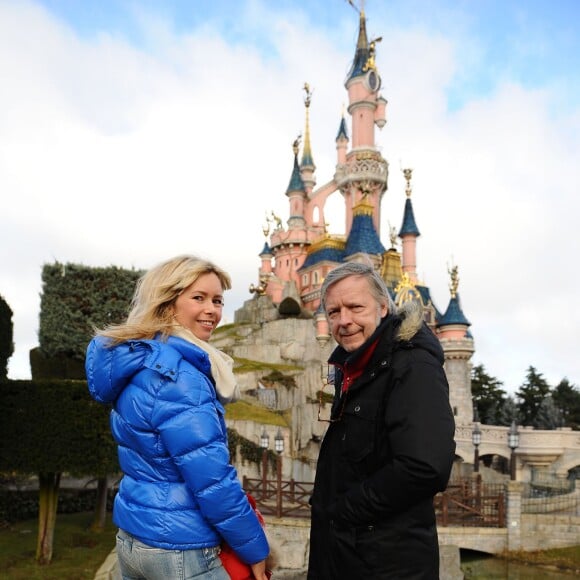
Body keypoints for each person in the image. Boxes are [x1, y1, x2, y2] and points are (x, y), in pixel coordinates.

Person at [85, 255, 270, 580]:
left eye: (217, 300)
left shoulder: (140, 362)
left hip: (133, 540)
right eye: (198, 298)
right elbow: (212, 482)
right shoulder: (180, 377)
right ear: (167, 304)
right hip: (180, 550)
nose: (212, 310)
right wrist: (255, 548)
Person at [307, 262, 456, 579]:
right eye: (333, 312)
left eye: (355, 307)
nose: (344, 320)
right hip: (348, 554)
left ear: (383, 307)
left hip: (386, 563)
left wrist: (344, 512)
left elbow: (424, 466)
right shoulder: (357, 367)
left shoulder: (411, 364)